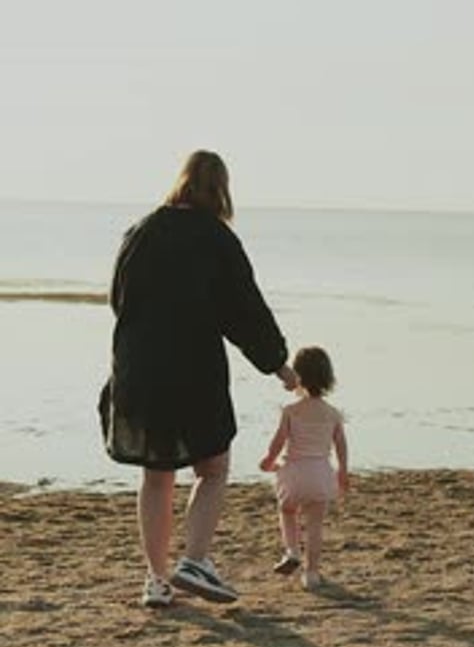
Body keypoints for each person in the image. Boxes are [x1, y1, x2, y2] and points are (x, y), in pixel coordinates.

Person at [98, 151, 296, 608]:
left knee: (156, 473)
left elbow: (118, 298)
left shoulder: (141, 231)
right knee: (212, 466)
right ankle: (196, 560)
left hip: (139, 367)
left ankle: (156, 581)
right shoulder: (217, 238)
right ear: (220, 190)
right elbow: (244, 310)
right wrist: (278, 363)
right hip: (193, 367)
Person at [260, 345, 348, 590]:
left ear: (297, 376)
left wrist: (268, 460)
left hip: (294, 472)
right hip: (321, 473)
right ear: (328, 377)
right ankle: (311, 574)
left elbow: (278, 442)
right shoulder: (332, 414)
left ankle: (291, 550)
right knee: (315, 525)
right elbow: (341, 445)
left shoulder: (291, 411)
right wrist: (342, 471)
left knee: (287, 511)